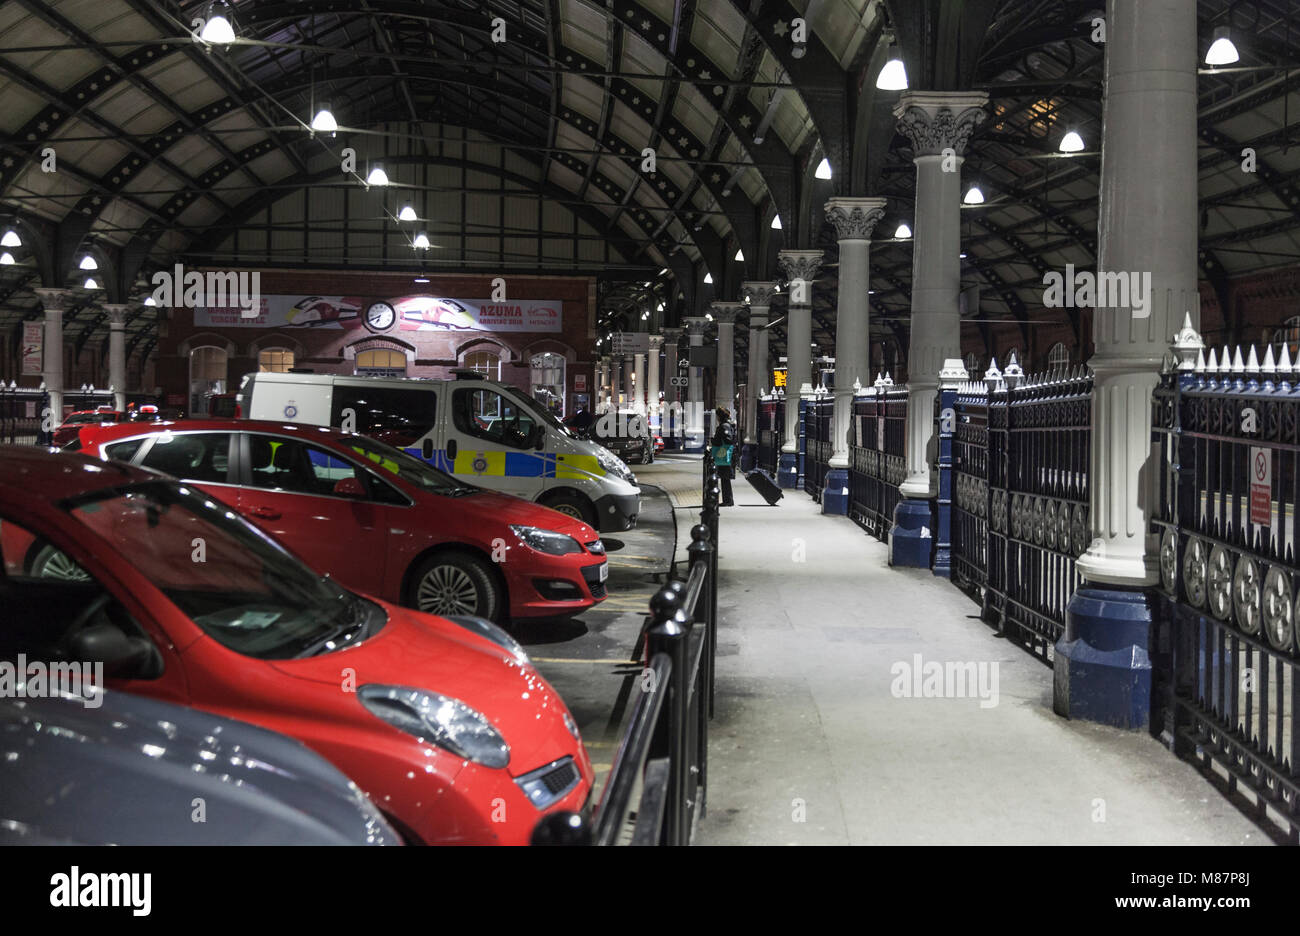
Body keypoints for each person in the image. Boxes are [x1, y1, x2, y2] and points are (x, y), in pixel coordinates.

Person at [710, 407, 736, 507]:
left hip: (724, 453)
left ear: (719, 416)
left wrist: (715, 441)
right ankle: (728, 499)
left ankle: (728, 500)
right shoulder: (727, 425)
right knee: (725, 477)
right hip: (724, 452)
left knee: (725, 477)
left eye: (717, 415)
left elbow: (727, 439)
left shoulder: (724, 426)